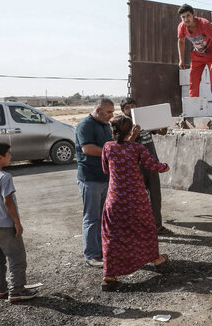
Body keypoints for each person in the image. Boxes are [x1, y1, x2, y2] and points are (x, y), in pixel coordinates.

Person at [100, 116, 171, 291]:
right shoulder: (138, 148)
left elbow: (105, 169)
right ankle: (156, 259)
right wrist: (166, 166)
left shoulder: (108, 147)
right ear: (131, 130)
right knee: (145, 228)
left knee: (112, 234)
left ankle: (109, 276)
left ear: (113, 130)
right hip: (136, 199)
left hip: (115, 200)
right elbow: (154, 166)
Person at [0, 141, 39, 302]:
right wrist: (17, 223)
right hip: (4, 223)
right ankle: (17, 291)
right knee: (16, 257)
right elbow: (7, 200)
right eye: (9, 154)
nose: (11, 156)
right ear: (0, 157)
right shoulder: (5, 177)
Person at [120, 98, 170, 235]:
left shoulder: (144, 120)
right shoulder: (123, 124)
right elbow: (123, 146)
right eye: (127, 107)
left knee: (155, 196)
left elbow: (162, 132)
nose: (131, 108)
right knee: (138, 199)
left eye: (133, 106)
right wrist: (134, 134)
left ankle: (157, 226)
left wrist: (163, 121)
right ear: (123, 110)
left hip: (152, 164)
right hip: (136, 167)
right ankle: (140, 228)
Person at [75, 98, 114, 267]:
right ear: (98, 110)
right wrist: (111, 152)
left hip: (104, 177)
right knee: (91, 218)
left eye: (112, 112)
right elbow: (87, 149)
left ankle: (99, 250)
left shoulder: (105, 125)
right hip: (90, 178)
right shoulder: (85, 125)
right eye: (108, 112)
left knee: (102, 217)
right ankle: (91, 254)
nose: (111, 116)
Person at [177, 3, 212, 117]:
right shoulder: (182, 27)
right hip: (197, 55)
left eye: (188, 16)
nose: (186, 19)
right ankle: (193, 109)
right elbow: (181, 41)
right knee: (193, 82)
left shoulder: (204, 24)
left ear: (194, 15)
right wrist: (181, 59)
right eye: (183, 17)